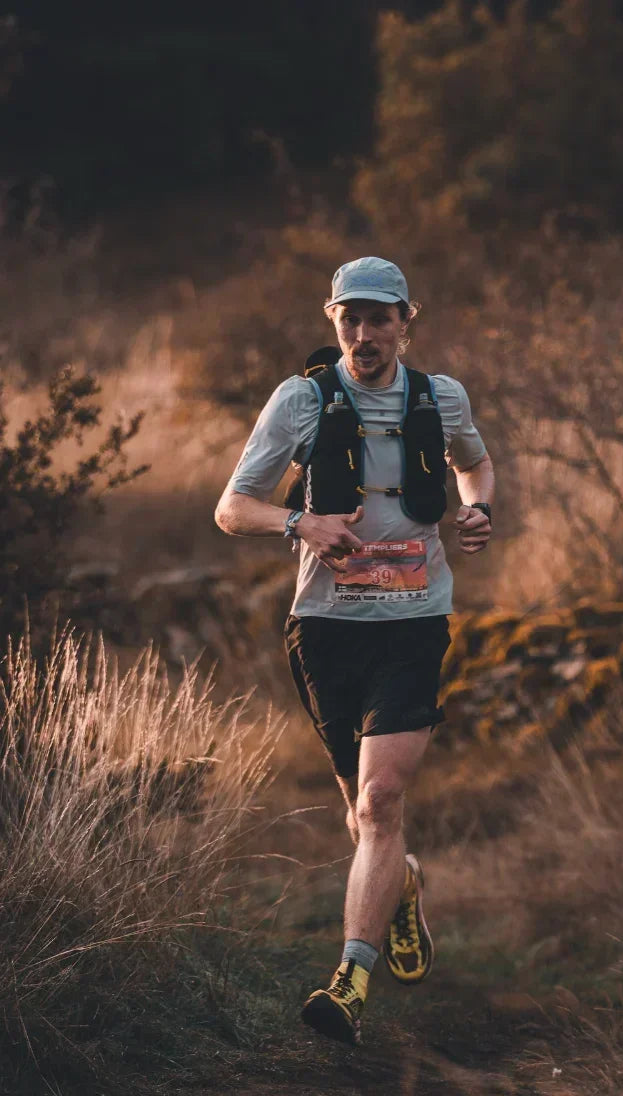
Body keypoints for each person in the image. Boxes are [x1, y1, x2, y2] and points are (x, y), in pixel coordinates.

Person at [215, 256, 493, 1047]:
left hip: (413, 622)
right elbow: (232, 508)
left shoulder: (441, 398)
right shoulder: (301, 400)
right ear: (333, 319)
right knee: (360, 813)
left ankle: (350, 981)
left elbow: (474, 463)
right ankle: (400, 883)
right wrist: (299, 522)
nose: (364, 333)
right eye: (351, 318)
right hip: (326, 627)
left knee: (379, 802)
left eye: (379, 318)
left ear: (407, 321)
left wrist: (479, 510)